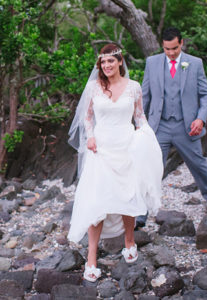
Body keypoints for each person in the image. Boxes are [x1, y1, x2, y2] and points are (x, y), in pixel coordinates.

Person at [67, 44, 163, 282]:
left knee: (128, 195)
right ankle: (91, 256)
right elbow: (87, 117)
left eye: (111, 61)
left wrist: (146, 138)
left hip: (127, 146)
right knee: (96, 201)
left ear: (120, 61)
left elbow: (139, 116)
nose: (107, 66)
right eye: (103, 62)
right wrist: (89, 136)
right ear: (100, 65)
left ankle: (129, 241)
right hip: (101, 148)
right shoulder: (93, 87)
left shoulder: (134, 87)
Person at [136, 27, 207, 228]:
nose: (171, 53)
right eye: (167, 49)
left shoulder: (195, 63)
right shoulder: (152, 63)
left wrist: (200, 119)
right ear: (162, 46)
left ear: (181, 43)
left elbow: (206, 96)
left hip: (186, 126)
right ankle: (141, 213)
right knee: (151, 169)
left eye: (174, 48)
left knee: (198, 164)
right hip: (160, 126)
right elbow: (144, 96)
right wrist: (140, 123)